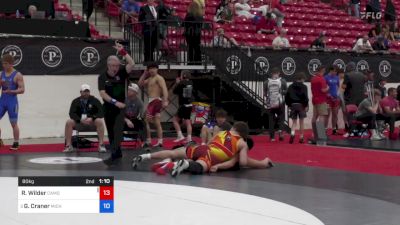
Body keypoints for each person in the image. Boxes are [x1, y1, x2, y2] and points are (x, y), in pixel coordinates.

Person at [132, 122, 273, 176]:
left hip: (201, 147)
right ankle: (186, 164)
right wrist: (239, 152)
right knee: (200, 167)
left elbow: (209, 143)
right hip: (212, 155)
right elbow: (243, 162)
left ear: (233, 128)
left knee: (173, 152)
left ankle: (145, 157)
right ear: (243, 135)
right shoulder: (242, 142)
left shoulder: (222, 132)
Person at [98, 42, 135, 165]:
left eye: (117, 65)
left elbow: (132, 63)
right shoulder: (102, 77)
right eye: (113, 66)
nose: (115, 68)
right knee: (111, 131)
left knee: (117, 130)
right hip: (109, 107)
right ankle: (117, 152)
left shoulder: (122, 72)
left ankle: (115, 153)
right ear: (108, 65)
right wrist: (114, 102)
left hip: (121, 107)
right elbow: (102, 93)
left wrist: (123, 52)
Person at [64, 84, 106, 153]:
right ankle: (69, 146)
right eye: (84, 91)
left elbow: (101, 112)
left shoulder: (95, 100)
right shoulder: (75, 101)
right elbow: (71, 113)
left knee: (99, 121)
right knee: (69, 122)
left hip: (91, 123)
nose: (86, 93)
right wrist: (80, 120)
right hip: (80, 123)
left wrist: (92, 118)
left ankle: (101, 145)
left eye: (87, 91)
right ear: (80, 92)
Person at [138, 63, 169, 148]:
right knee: (157, 122)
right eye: (150, 68)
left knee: (145, 120)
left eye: (154, 68)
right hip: (152, 101)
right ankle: (160, 141)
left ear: (157, 69)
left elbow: (164, 88)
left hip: (155, 101)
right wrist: (144, 74)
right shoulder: (149, 79)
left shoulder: (159, 78)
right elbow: (140, 84)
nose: (152, 70)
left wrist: (165, 100)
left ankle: (148, 140)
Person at [0, 54, 25, 150]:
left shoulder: (17, 75)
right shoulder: (1, 74)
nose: (4, 66)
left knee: (13, 123)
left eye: (6, 64)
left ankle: (16, 142)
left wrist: (12, 91)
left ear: (11, 64)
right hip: (2, 101)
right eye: (3, 63)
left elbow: (22, 90)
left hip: (12, 102)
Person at [263, 67, 287, 141]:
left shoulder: (266, 82)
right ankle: (280, 130)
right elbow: (286, 91)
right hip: (280, 102)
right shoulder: (283, 81)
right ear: (279, 73)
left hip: (270, 103)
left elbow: (265, 94)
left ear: (271, 74)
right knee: (281, 117)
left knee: (271, 120)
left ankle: (272, 137)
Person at [285, 72, 308, 144]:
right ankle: (301, 137)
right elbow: (306, 97)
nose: (304, 81)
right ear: (301, 79)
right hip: (301, 105)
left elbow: (287, 97)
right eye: (304, 79)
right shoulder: (304, 86)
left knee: (294, 122)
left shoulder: (290, 86)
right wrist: (306, 105)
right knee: (301, 122)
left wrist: (288, 105)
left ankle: (292, 133)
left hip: (293, 105)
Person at [172, 70, 194, 143]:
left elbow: (174, 91)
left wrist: (177, 83)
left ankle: (180, 135)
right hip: (190, 105)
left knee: (175, 120)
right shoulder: (191, 83)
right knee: (188, 122)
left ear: (183, 76)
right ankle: (189, 138)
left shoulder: (181, 83)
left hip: (183, 105)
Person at [311, 65, 329, 133]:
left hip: (315, 100)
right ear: (322, 71)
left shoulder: (313, 78)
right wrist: (328, 88)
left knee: (314, 116)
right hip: (321, 100)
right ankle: (321, 133)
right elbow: (323, 90)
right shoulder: (321, 79)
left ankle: (314, 132)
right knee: (321, 116)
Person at [324, 66, 340, 135]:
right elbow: (324, 88)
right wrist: (329, 95)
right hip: (328, 99)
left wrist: (337, 95)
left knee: (335, 114)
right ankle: (325, 129)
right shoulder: (326, 77)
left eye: (336, 72)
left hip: (335, 99)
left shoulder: (337, 77)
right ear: (330, 71)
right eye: (334, 71)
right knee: (327, 114)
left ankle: (334, 129)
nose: (335, 73)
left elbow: (338, 87)